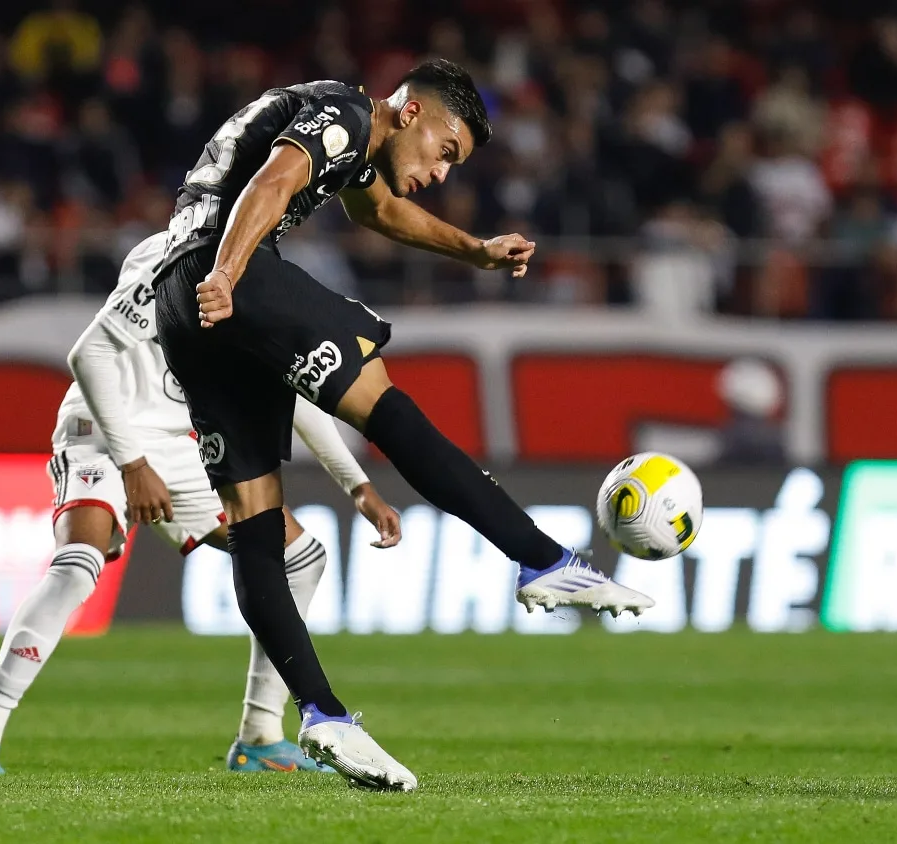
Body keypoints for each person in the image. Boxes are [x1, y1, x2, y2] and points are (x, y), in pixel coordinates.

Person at [152, 59, 655, 792]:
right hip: (226, 269)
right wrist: (229, 275)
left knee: (254, 521)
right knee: (385, 404)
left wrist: (475, 249)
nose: (443, 173)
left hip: (177, 298)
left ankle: (322, 715)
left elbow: (380, 212)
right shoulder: (348, 116)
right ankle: (543, 559)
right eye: (447, 152)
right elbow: (272, 184)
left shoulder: (352, 139)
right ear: (412, 113)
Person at [0, 232, 402, 777]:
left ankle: (259, 736)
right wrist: (134, 465)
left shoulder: (260, 273)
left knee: (300, 557)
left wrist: (357, 485)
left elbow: (292, 391)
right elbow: (88, 355)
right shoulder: (170, 256)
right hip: (102, 425)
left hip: (176, 444)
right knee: (77, 566)